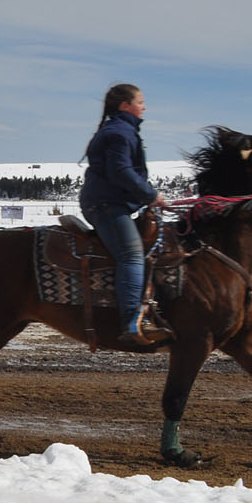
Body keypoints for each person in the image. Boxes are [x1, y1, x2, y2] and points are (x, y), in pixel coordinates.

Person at [80, 84, 172, 346]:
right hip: (107, 205)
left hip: (110, 202)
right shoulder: (120, 132)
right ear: (125, 106)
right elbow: (120, 171)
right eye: (140, 101)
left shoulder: (120, 130)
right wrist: (151, 196)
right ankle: (132, 323)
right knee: (131, 255)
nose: (144, 107)